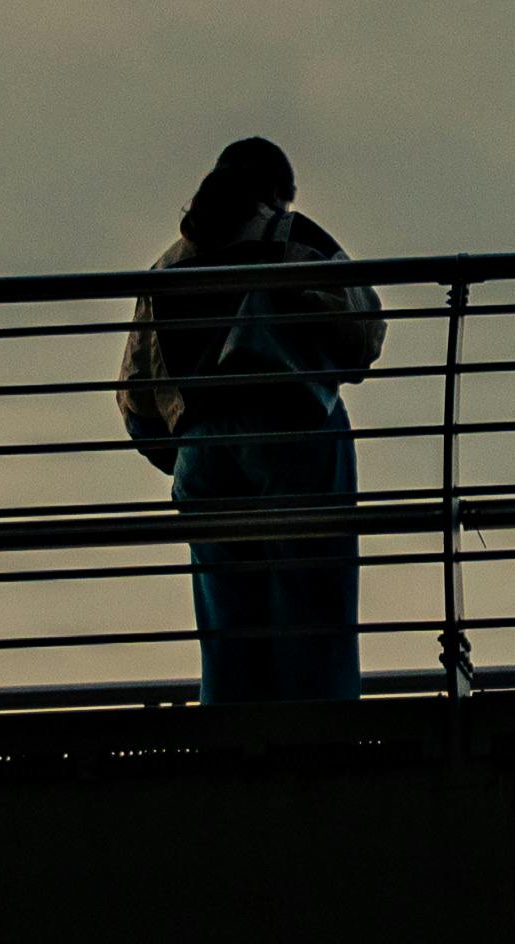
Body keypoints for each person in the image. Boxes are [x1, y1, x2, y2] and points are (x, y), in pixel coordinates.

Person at [120, 135, 385, 706]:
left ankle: (232, 744)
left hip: (201, 455)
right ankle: (322, 738)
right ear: (277, 193)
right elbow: (364, 331)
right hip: (292, 436)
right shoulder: (292, 237)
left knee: (227, 623)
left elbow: (136, 400)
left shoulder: (167, 265)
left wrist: (182, 445)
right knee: (314, 604)